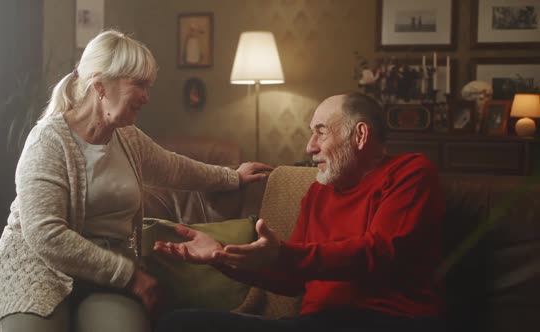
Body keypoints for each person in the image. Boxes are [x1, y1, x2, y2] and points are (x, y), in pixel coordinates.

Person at [0, 29, 272, 332]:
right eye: (139, 84)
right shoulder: (48, 142)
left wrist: (233, 177)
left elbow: (174, 168)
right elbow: (46, 235)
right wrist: (130, 276)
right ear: (100, 85)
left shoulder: (127, 137)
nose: (147, 97)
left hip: (107, 270)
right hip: (38, 267)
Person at [153, 92, 446, 332]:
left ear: (360, 135)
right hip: (314, 323)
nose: (309, 147)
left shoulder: (411, 172)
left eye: (321, 132)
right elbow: (291, 280)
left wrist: (284, 254)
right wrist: (221, 256)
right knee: (178, 324)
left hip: (387, 320)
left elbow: (379, 252)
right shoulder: (318, 193)